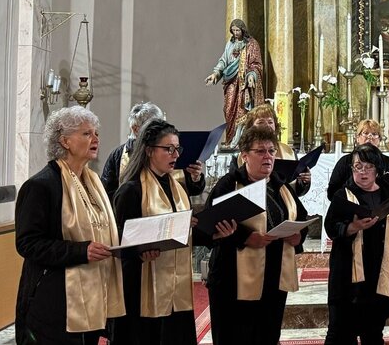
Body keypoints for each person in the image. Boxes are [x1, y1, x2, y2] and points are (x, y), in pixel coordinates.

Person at [109, 119, 234, 344]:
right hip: (142, 289)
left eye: (177, 149)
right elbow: (120, 240)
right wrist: (139, 252)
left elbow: (182, 235)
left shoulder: (178, 188)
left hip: (177, 288)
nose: (175, 155)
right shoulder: (131, 190)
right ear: (149, 151)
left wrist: (213, 234)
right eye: (168, 149)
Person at [14, 106, 125, 344]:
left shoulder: (93, 182)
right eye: (86, 133)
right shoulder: (40, 186)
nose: (96, 139)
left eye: (96, 133)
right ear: (64, 141)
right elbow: (27, 243)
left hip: (93, 294)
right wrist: (81, 251)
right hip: (55, 299)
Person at [204, 126, 307, 345]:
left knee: (267, 336)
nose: (268, 156)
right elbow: (210, 224)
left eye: (271, 151)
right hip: (232, 279)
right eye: (260, 151)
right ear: (244, 155)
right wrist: (246, 237)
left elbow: (300, 217)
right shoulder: (230, 184)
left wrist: (298, 236)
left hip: (272, 277)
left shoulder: (281, 185)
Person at [325, 144, 389, 344]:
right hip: (348, 278)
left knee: (373, 333)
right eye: (358, 166)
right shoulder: (343, 195)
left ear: (377, 169)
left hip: (379, 274)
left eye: (368, 166)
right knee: (340, 334)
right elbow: (331, 227)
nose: (363, 172)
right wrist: (352, 227)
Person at [228, 103, 312, 196]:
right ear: (251, 127)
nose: (267, 126)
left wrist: (303, 181)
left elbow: (296, 191)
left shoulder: (289, 152)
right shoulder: (239, 157)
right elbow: (232, 189)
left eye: (270, 122)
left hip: (282, 200)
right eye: (261, 122)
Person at [205, 18, 265, 143]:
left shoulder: (252, 44)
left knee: (243, 110)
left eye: (238, 30)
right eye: (233, 30)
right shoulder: (230, 44)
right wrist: (216, 73)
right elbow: (224, 61)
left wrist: (251, 75)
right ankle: (231, 139)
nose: (236, 33)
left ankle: (241, 141)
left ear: (243, 30)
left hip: (244, 84)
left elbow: (256, 64)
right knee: (228, 109)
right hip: (231, 81)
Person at [100, 101, 164, 199]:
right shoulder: (118, 155)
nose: (160, 132)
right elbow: (107, 192)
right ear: (136, 129)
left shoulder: (166, 151)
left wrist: (190, 177)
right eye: (154, 128)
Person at [325, 119, 389, 199]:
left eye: (374, 134)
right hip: (352, 205)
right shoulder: (345, 161)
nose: (370, 137)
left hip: (383, 205)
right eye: (365, 133)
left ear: (379, 139)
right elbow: (331, 192)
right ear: (357, 138)